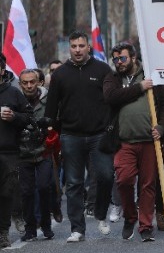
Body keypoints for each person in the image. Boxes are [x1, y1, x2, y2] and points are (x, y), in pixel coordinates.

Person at [44, 31, 115, 242]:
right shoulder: (60, 75)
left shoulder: (102, 69)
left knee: (106, 176)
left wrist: (109, 127)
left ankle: (101, 213)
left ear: (88, 47)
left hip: (99, 135)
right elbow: (50, 109)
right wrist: (60, 128)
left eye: (81, 46)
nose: (77, 50)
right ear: (69, 48)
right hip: (71, 136)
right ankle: (77, 229)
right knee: (74, 183)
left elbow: (111, 101)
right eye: (73, 46)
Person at [103, 43, 164, 241]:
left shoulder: (151, 75)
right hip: (123, 142)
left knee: (147, 185)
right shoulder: (113, 78)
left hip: (149, 141)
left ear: (133, 58)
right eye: (115, 59)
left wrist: (161, 127)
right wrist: (139, 88)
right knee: (124, 180)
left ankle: (145, 226)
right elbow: (111, 97)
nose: (118, 62)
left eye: (122, 58)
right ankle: (130, 216)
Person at [17, 69, 55, 241]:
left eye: (32, 81)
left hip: (44, 152)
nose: (29, 85)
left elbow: (57, 120)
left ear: (39, 82)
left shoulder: (48, 100)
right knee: (26, 192)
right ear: (20, 84)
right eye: (25, 82)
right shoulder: (15, 101)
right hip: (23, 153)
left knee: (44, 187)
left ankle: (46, 224)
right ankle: (30, 228)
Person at [0, 56, 33, 248]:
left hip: (8, 152)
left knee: (5, 194)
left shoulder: (13, 93)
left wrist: (14, 116)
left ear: (2, 70)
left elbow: (29, 117)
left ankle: (3, 232)